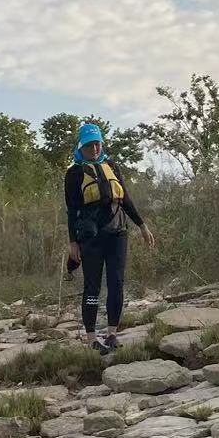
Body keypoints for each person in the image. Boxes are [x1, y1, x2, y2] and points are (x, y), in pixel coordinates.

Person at [64, 123, 154, 352]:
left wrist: (142, 226)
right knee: (92, 287)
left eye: (97, 143)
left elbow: (125, 198)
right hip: (90, 237)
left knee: (116, 283)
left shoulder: (111, 165)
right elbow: (72, 210)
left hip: (117, 233)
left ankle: (112, 333)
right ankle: (92, 338)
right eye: (89, 144)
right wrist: (72, 242)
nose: (94, 148)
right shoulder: (73, 174)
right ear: (81, 146)